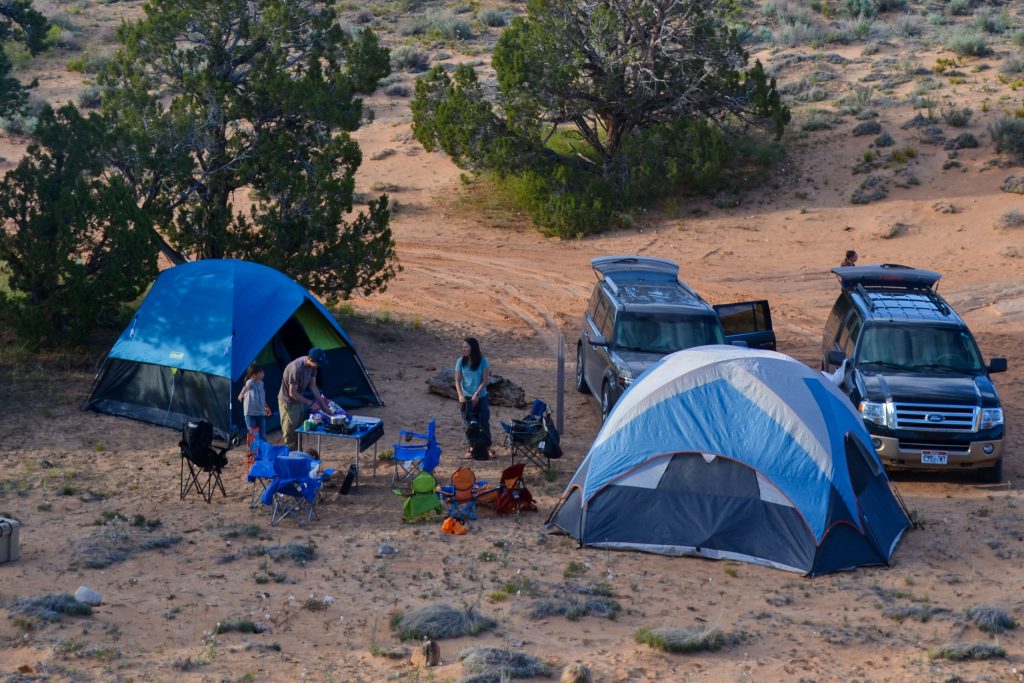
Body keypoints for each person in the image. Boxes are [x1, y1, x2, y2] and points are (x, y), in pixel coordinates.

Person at [278, 347, 333, 450]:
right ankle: (291, 459)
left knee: (299, 430)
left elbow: (313, 386)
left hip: (298, 400)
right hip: (288, 402)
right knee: (290, 433)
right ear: (310, 359)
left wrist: (323, 406)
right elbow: (292, 393)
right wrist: (310, 403)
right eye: (318, 363)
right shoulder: (296, 368)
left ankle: (299, 454)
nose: (319, 366)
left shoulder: (313, 367)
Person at [455, 337, 491, 458]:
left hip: (481, 396)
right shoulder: (460, 361)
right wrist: (460, 395)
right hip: (465, 397)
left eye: (466, 347)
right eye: (462, 347)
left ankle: (487, 447)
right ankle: (472, 448)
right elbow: (458, 380)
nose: (463, 349)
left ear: (473, 347)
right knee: (469, 424)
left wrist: (477, 394)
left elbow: (485, 381)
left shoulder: (483, 361)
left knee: (484, 421)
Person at [238, 363, 271, 439]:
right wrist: (241, 394)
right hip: (250, 413)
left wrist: (266, 407)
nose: (263, 374)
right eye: (261, 372)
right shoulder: (250, 382)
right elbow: (245, 388)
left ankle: (263, 450)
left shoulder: (261, 383)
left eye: (262, 372)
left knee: (262, 435)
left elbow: (262, 398)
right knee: (253, 435)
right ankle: (253, 450)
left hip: (260, 412)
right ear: (254, 375)